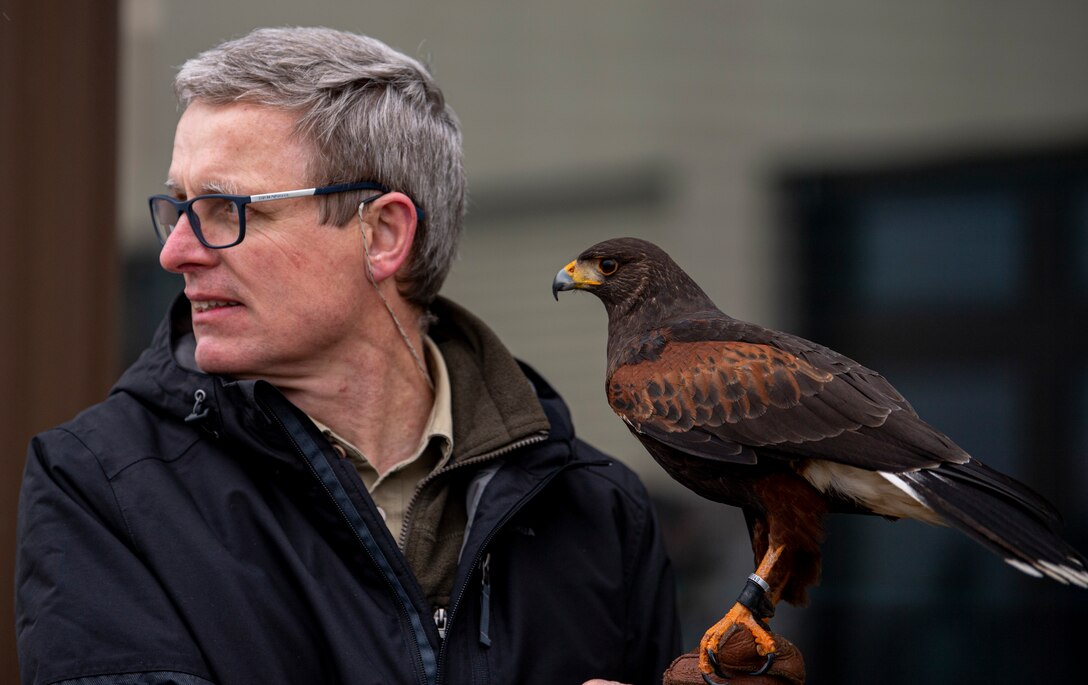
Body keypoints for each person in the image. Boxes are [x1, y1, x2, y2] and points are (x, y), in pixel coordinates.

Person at [14, 27, 680, 685]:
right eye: (181, 206)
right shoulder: (103, 486)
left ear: (382, 233)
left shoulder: (599, 516)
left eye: (226, 209)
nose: (175, 251)